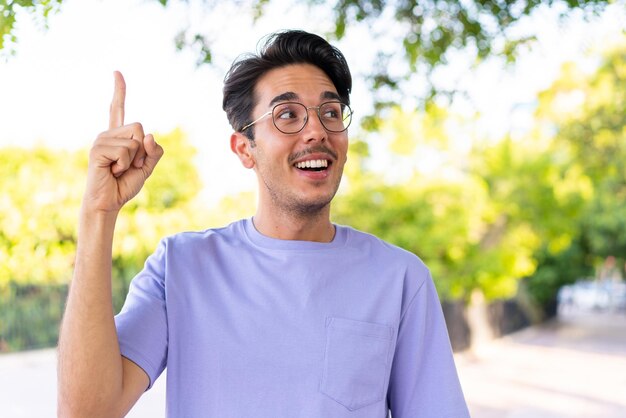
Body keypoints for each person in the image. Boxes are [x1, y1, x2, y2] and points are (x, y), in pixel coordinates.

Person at [57, 30, 469, 418]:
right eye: (287, 114)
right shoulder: (180, 267)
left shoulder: (399, 278)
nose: (316, 131)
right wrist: (98, 213)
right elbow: (86, 411)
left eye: (330, 112)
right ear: (244, 148)